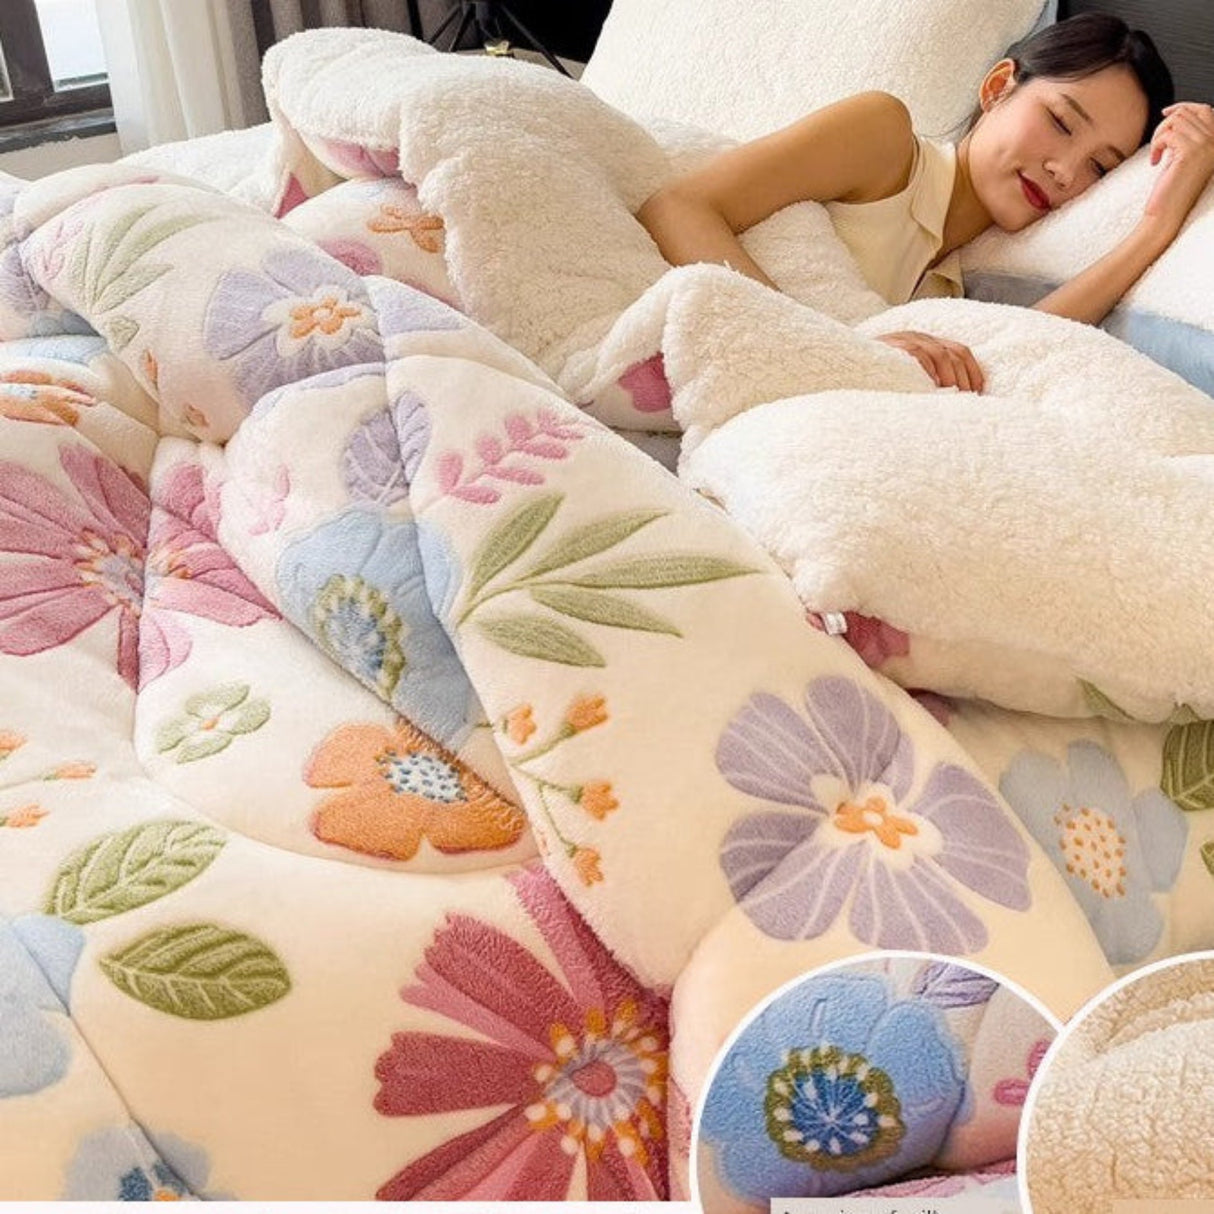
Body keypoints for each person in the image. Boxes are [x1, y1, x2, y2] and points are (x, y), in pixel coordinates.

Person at [637, 13, 1214, 392]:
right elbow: (676, 207)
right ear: (997, 88)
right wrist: (831, 348)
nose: (1064, 171)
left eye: (1100, 167)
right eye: (1060, 122)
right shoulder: (883, 139)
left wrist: (1159, 223)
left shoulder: (952, 284)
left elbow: (1022, 345)